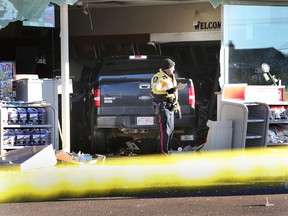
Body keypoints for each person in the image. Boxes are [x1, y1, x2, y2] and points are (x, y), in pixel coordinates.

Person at [151, 58, 182, 154]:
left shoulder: (172, 77)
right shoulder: (158, 77)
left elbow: (175, 95)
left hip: (171, 106)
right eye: (173, 67)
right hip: (163, 107)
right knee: (165, 131)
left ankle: (168, 151)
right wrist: (168, 91)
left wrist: (177, 108)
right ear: (169, 68)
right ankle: (163, 153)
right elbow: (155, 91)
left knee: (171, 131)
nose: (174, 69)